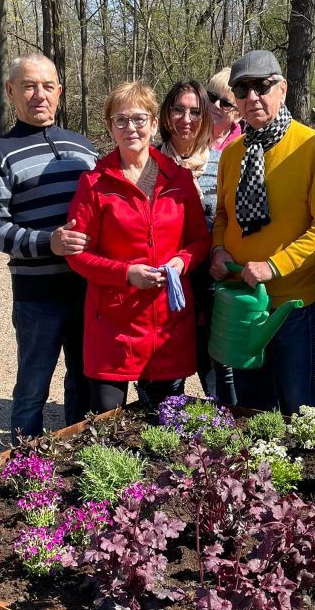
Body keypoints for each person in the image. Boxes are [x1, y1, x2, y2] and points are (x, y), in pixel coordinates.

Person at [210, 49, 315, 414]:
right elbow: (222, 215)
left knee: (298, 410)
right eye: (242, 90)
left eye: (262, 86)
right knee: (252, 411)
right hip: (242, 301)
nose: (252, 96)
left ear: (282, 89)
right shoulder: (232, 153)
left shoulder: (312, 146)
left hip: (288, 307)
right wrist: (219, 249)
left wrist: (274, 266)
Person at [66, 82, 210, 412]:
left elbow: (201, 240)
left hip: (167, 322)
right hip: (112, 322)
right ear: (110, 128)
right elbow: (78, 255)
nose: (131, 128)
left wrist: (182, 262)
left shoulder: (179, 180)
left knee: (164, 421)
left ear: (155, 124)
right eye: (121, 120)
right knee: (107, 421)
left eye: (139, 119)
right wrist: (126, 273)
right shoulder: (94, 184)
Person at [0, 53, 97, 443]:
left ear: (59, 92)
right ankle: (24, 463)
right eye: (28, 86)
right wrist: (49, 242)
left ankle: (79, 450)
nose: (39, 95)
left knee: (84, 380)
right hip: (37, 294)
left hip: (87, 289)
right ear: (11, 91)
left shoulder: (84, 148)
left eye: (47, 86)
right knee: (33, 387)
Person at [157, 80, 236, 405]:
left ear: (205, 117)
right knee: (169, 359)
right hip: (168, 276)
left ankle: (228, 419)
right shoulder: (150, 164)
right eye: (178, 110)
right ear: (166, 114)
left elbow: (230, 217)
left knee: (222, 359)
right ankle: (167, 418)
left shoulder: (223, 162)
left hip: (213, 274)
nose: (186, 119)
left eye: (194, 111)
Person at [206, 67, 243, 151]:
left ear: (238, 115)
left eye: (225, 103)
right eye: (212, 97)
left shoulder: (241, 148)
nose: (216, 104)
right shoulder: (189, 132)